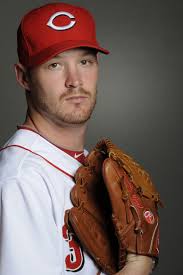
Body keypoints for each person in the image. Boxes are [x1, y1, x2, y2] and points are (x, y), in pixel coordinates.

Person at [0, 2, 155, 275]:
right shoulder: (20, 181)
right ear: (24, 77)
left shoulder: (91, 168)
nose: (75, 80)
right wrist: (138, 266)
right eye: (55, 64)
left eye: (84, 61)